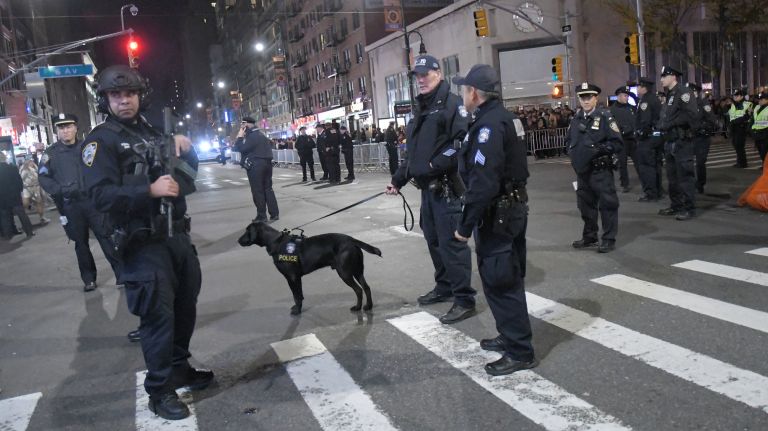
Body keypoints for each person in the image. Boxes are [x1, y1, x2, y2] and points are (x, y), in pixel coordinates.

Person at [82, 64, 212, 420]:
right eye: (116, 95)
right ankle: (159, 391)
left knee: (185, 309)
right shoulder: (100, 140)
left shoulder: (154, 132)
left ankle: (180, 369)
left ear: (140, 96)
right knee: (158, 319)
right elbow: (99, 196)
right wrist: (148, 190)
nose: (124, 100)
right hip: (142, 245)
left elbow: (184, 179)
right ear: (105, 99)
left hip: (177, 238)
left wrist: (184, 149)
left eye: (130, 94)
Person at [452, 64, 536, 375]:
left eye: (464, 90)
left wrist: (464, 226)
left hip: (498, 214)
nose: (462, 95)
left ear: (474, 92)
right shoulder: (506, 117)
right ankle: (510, 335)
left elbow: (483, 183)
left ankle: (520, 350)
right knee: (505, 276)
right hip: (511, 209)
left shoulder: (488, 125)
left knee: (501, 280)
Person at [384, 54, 476, 324]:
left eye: (426, 74)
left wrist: (434, 164)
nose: (421, 79)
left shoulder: (452, 104)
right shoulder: (421, 108)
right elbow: (413, 155)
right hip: (429, 192)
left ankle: (464, 298)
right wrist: (398, 179)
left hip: (447, 188)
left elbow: (460, 142)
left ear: (439, 74)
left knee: (452, 245)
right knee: (434, 241)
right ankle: (445, 286)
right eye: (417, 75)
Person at [39, 113, 121, 291]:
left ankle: (121, 274)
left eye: (68, 126)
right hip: (71, 205)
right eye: (61, 127)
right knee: (81, 244)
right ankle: (89, 279)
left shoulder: (88, 148)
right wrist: (60, 190)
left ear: (76, 128)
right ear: (56, 131)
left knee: (106, 237)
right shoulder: (50, 154)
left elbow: (103, 168)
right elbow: (44, 178)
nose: (65, 130)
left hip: (92, 202)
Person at [568, 83, 623, 253]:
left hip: (600, 171)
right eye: (582, 97)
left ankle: (608, 239)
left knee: (607, 205)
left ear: (595, 98)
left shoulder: (605, 117)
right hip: (583, 172)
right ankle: (590, 236)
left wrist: (600, 149)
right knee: (585, 206)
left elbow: (617, 142)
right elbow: (569, 142)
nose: (585, 100)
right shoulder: (576, 120)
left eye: (589, 97)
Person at [658, 66, 700, 221]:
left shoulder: (684, 93)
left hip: (682, 141)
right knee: (672, 177)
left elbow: (692, 115)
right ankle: (676, 205)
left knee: (685, 177)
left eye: (664, 76)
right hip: (670, 141)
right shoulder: (670, 94)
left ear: (673, 77)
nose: (661, 79)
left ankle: (690, 208)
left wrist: (671, 123)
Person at [234, 116, 279, 222]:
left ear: (246, 124)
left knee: (257, 190)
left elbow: (239, 148)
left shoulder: (252, 136)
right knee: (268, 189)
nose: (241, 127)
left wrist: (240, 137)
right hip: (267, 164)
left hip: (256, 165)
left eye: (242, 124)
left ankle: (262, 215)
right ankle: (274, 213)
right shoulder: (261, 135)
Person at [634, 77, 664, 201]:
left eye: (638, 86)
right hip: (656, 137)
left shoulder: (645, 101)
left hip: (647, 139)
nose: (637, 89)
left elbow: (645, 121)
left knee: (646, 166)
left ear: (643, 87)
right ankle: (658, 191)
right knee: (656, 165)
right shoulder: (654, 99)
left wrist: (641, 134)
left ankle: (651, 193)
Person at [687, 82, 717, 193]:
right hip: (690, 137)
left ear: (695, 92)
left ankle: (700, 184)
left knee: (700, 162)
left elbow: (712, 120)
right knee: (687, 162)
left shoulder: (703, 103)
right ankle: (690, 182)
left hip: (701, 138)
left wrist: (702, 127)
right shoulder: (686, 104)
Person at [0, 152, 34, 239]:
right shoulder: (12, 168)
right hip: (14, 196)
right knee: (22, 215)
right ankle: (29, 232)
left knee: (5, 217)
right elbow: (19, 182)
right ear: (4, 158)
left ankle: (8, 235)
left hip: (2, 198)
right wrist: (19, 192)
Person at [610, 86, 637, 193]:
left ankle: (645, 182)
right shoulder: (612, 110)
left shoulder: (631, 107)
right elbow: (612, 126)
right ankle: (624, 184)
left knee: (639, 163)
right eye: (625, 95)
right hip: (622, 141)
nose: (627, 98)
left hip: (633, 140)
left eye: (627, 96)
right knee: (622, 164)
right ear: (619, 96)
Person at [728, 89, 752, 168]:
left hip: (742, 127)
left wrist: (736, 121)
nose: (734, 97)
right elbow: (731, 115)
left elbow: (747, 116)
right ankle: (740, 161)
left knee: (739, 145)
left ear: (741, 96)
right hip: (734, 126)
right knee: (735, 144)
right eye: (734, 95)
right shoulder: (734, 104)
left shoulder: (748, 104)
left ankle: (743, 163)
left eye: (737, 95)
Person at [20, 159, 48, 225]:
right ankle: (26, 214)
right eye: (30, 162)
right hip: (27, 188)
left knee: (39, 203)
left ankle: (42, 217)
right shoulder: (24, 170)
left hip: (37, 188)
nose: (31, 163)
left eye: (32, 162)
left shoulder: (36, 169)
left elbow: (40, 177)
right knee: (25, 203)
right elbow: (21, 179)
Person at [751, 91, 768, 167]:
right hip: (757, 133)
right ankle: (764, 164)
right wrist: (750, 129)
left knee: (764, 151)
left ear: (766, 100)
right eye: (759, 99)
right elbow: (754, 119)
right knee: (760, 151)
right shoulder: (757, 107)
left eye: (761, 99)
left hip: (766, 132)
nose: (759, 101)